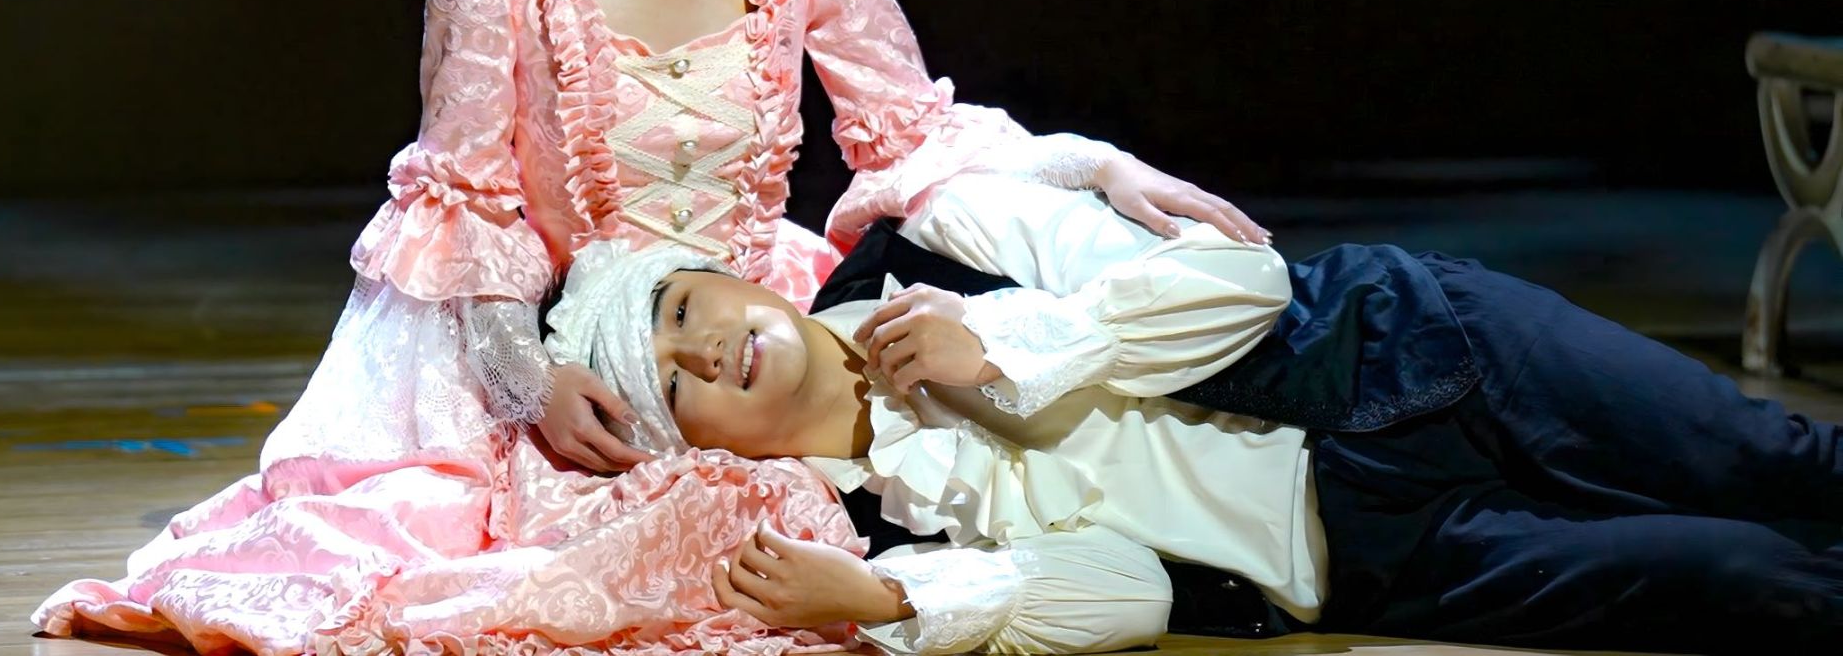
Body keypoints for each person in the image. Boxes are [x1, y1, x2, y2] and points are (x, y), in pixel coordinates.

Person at [34, 0, 1268, 655]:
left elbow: (901, 128)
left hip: (755, 315)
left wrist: (1089, 164)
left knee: (960, 415)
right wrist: (531, 379)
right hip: (582, 344)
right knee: (573, 566)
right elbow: (467, 201)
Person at [545, 172, 1843, 655]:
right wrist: (891, 601)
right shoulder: (871, 527)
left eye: (682, 306)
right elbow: (1131, 592)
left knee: (1777, 461)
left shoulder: (937, 235)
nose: (703, 348)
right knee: (1753, 582)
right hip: (1372, 556)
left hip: (1413, 346)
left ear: (732, 275)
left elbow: (1241, 285)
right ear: (694, 445)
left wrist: (1003, 346)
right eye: (673, 381)